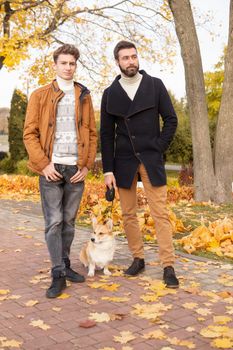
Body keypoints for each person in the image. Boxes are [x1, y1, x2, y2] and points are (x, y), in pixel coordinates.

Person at [100, 40, 179, 288]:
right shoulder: (110, 94)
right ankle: (138, 258)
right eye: (125, 58)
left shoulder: (154, 85)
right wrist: (108, 170)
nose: (131, 61)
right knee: (128, 214)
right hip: (123, 162)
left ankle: (168, 265)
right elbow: (106, 135)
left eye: (133, 56)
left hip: (151, 158)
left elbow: (171, 119)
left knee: (160, 214)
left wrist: (158, 146)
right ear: (117, 62)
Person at [24, 44, 97, 298]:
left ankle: (65, 265)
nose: (68, 67)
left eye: (72, 63)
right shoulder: (39, 95)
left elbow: (91, 133)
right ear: (55, 65)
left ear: (76, 65)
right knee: (53, 222)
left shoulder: (84, 95)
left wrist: (86, 165)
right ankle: (57, 273)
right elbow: (29, 134)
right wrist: (44, 164)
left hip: (76, 169)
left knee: (69, 221)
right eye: (64, 63)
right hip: (51, 169)